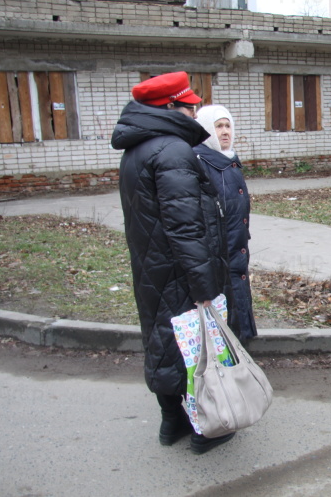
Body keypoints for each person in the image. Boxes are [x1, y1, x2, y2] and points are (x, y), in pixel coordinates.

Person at [110, 72, 235, 454]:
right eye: (189, 105)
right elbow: (186, 228)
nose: (195, 111)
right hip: (182, 270)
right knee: (195, 348)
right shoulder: (173, 152)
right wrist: (205, 286)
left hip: (152, 266)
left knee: (164, 340)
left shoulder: (139, 149)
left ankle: (171, 423)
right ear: (170, 108)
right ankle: (205, 429)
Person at [194, 105, 257, 341]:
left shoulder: (229, 160)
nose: (225, 132)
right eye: (218, 126)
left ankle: (238, 352)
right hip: (218, 253)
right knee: (222, 308)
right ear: (206, 130)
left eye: (228, 125)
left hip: (234, 248)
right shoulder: (200, 161)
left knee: (234, 301)